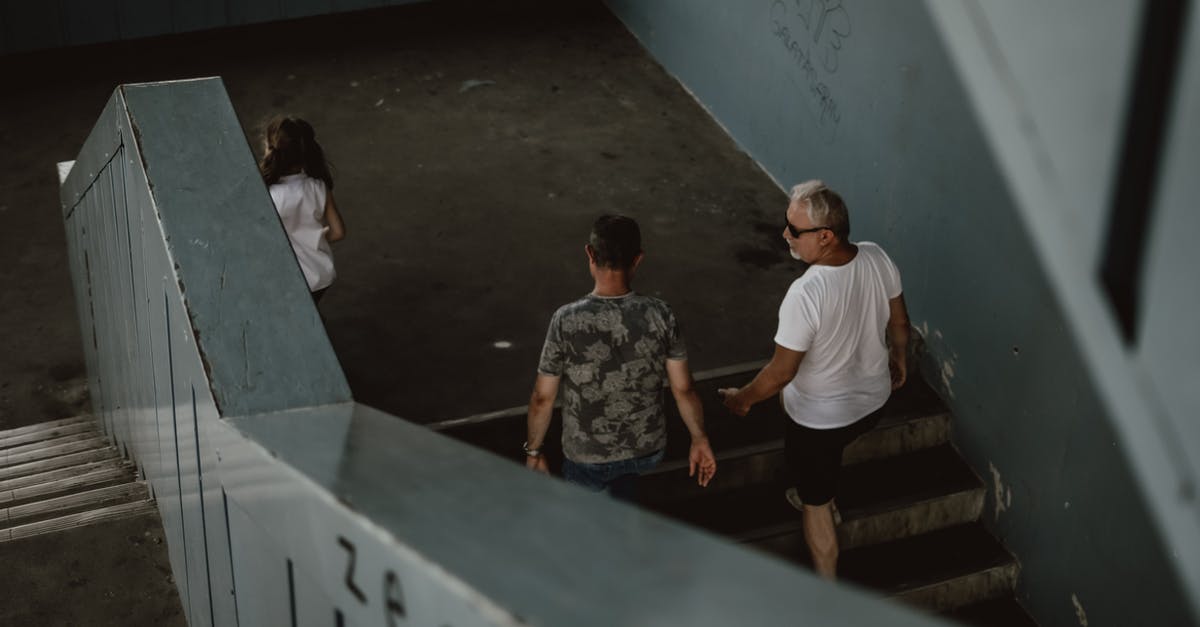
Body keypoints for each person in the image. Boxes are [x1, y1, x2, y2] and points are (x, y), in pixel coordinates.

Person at [718, 180, 909, 580]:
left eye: (794, 230)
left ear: (825, 236)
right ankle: (820, 486)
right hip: (873, 403)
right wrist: (900, 357)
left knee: (815, 499)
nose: (784, 235)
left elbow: (781, 372)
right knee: (825, 458)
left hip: (819, 422)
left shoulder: (806, 293)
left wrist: (743, 399)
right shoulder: (876, 256)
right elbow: (899, 320)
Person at [524, 215, 717, 500]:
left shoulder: (567, 320)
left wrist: (533, 451)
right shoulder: (661, 314)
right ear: (638, 259)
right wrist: (699, 439)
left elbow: (543, 398)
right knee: (624, 490)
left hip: (589, 456)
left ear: (589, 254)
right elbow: (683, 388)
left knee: (589, 513)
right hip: (648, 450)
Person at [260, 116, 346, 303]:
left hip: (287, 279)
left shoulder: (269, 195)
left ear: (269, 149)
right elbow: (338, 232)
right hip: (320, 274)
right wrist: (311, 238)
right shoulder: (318, 185)